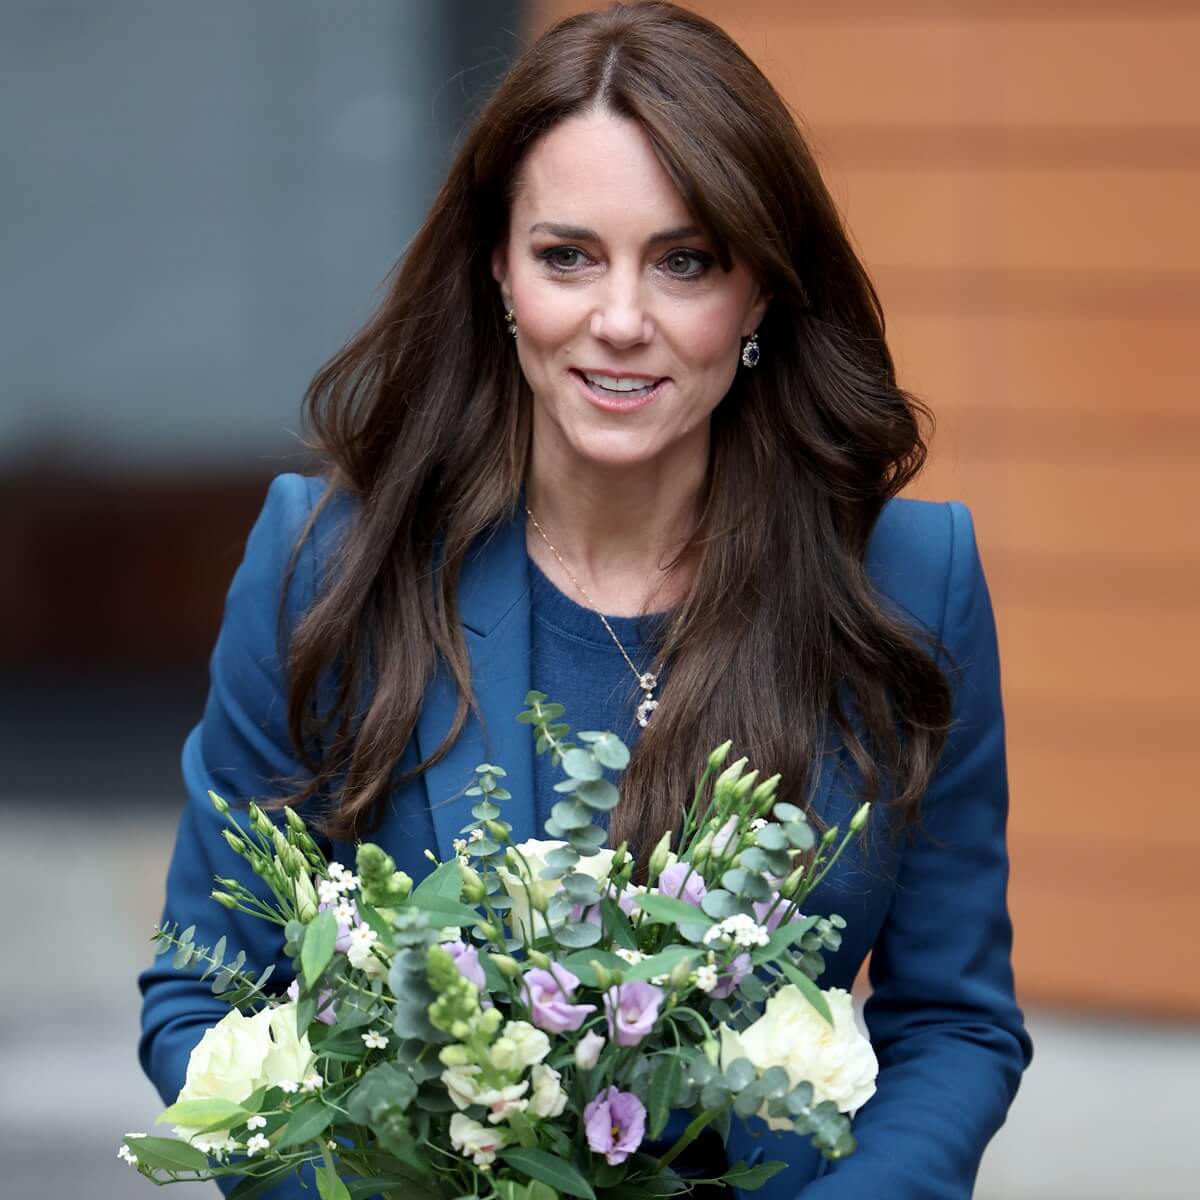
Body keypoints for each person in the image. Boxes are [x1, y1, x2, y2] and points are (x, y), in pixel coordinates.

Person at [138, 3, 1033, 1197]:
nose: (621, 320)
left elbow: (955, 1026)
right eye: (569, 255)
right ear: (498, 270)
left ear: (760, 288)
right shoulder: (328, 566)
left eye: (685, 260)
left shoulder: (912, 585)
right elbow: (206, 992)